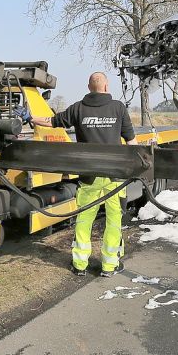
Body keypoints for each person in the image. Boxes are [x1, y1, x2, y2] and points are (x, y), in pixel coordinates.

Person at [28, 72, 137, 277]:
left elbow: (52, 121)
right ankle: (109, 266)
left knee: (84, 220)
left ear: (89, 88)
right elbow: (131, 142)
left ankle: (80, 265)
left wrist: (29, 118)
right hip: (114, 178)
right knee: (114, 221)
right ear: (106, 87)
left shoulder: (78, 108)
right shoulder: (118, 108)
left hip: (88, 177)